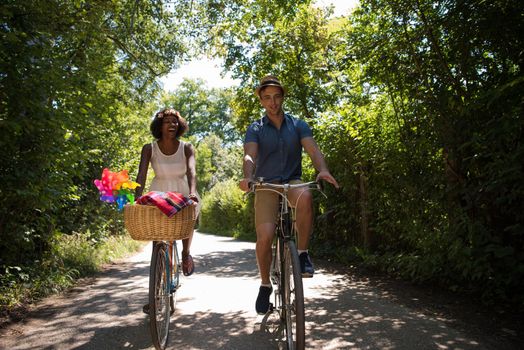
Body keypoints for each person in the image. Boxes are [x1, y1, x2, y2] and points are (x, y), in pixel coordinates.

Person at [239, 75, 339, 314]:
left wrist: (322, 170)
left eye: (276, 97)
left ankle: (302, 254)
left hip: (292, 181)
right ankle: (265, 284)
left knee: (305, 196)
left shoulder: (298, 125)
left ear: (282, 97)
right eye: (267, 98)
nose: (272, 102)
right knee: (265, 236)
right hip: (265, 185)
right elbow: (249, 156)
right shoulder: (256, 128)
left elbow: (313, 150)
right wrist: (248, 176)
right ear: (261, 101)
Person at [135, 107, 200, 279]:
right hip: (158, 192)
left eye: (175, 121)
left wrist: (192, 193)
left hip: (182, 191)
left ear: (180, 125)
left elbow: (192, 172)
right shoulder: (149, 148)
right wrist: (137, 196)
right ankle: (157, 282)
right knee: (158, 235)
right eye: (166, 121)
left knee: (186, 225)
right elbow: (141, 174)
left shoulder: (187, 147)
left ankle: (186, 253)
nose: (171, 124)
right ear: (159, 125)